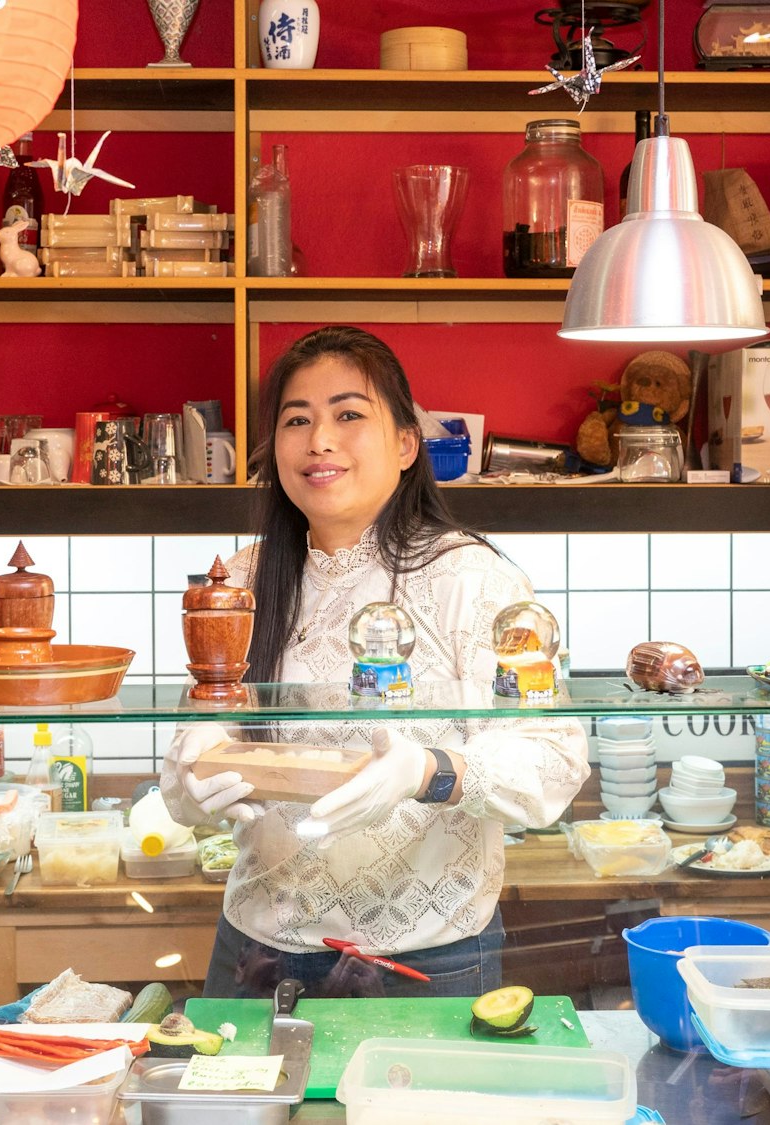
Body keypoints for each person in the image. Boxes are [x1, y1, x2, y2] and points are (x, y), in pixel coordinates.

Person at [160, 326, 588, 1000]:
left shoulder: (473, 579)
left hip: (428, 961)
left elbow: (552, 763)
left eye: (349, 415)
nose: (319, 441)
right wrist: (192, 776)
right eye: (296, 420)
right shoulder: (241, 581)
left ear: (406, 444)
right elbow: (197, 750)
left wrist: (428, 771)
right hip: (254, 952)